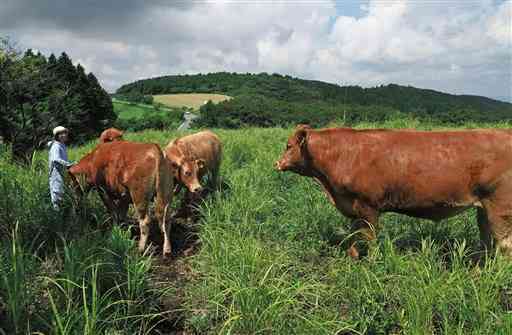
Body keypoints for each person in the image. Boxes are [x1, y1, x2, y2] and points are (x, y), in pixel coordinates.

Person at [48, 126, 74, 209]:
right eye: (61, 134)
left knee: (63, 195)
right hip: (56, 175)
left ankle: (64, 217)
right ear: (57, 136)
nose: (64, 135)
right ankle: (58, 218)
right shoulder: (56, 146)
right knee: (57, 196)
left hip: (62, 173)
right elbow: (55, 159)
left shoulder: (62, 145)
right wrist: (69, 164)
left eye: (65, 133)